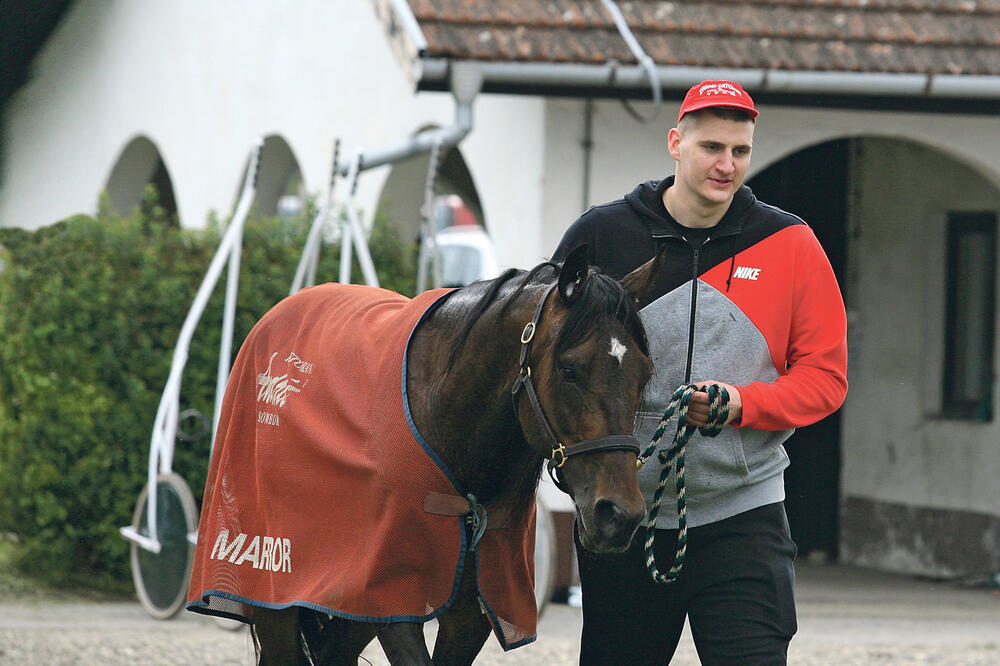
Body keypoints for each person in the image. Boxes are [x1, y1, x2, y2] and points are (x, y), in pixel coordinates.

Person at [552, 80, 848, 665]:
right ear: (675, 143)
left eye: (740, 151)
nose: (726, 164)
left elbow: (827, 379)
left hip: (745, 512)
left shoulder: (791, 243)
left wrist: (743, 404)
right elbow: (549, 363)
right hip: (625, 513)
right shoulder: (600, 236)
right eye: (711, 147)